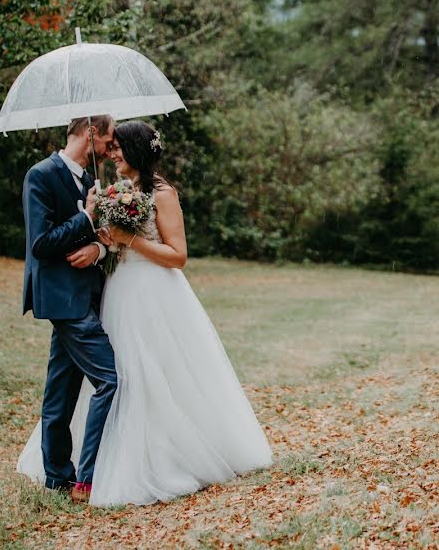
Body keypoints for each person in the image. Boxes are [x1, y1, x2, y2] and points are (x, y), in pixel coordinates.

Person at [17, 120, 272, 506]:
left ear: (135, 151)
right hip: (116, 293)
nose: (112, 152)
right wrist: (103, 247)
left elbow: (178, 256)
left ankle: (164, 453)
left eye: (118, 147)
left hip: (154, 294)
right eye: (111, 144)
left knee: (155, 373)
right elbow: (105, 243)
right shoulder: (115, 191)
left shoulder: (162, 193)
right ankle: (84, 464)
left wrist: (127, 239)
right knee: (119, 373)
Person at [20, 114, 118, 503]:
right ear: (91, 132)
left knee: (60, 393)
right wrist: (86, 217)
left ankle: (58, 477)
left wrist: (98, 246)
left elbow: (96, 237)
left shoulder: (90, 179)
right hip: (65, 300)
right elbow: (41, 244)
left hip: (88, 293)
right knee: (111, 379)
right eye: (108, 139)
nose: (111, 147)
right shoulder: (41, 175)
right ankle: (86, 478)